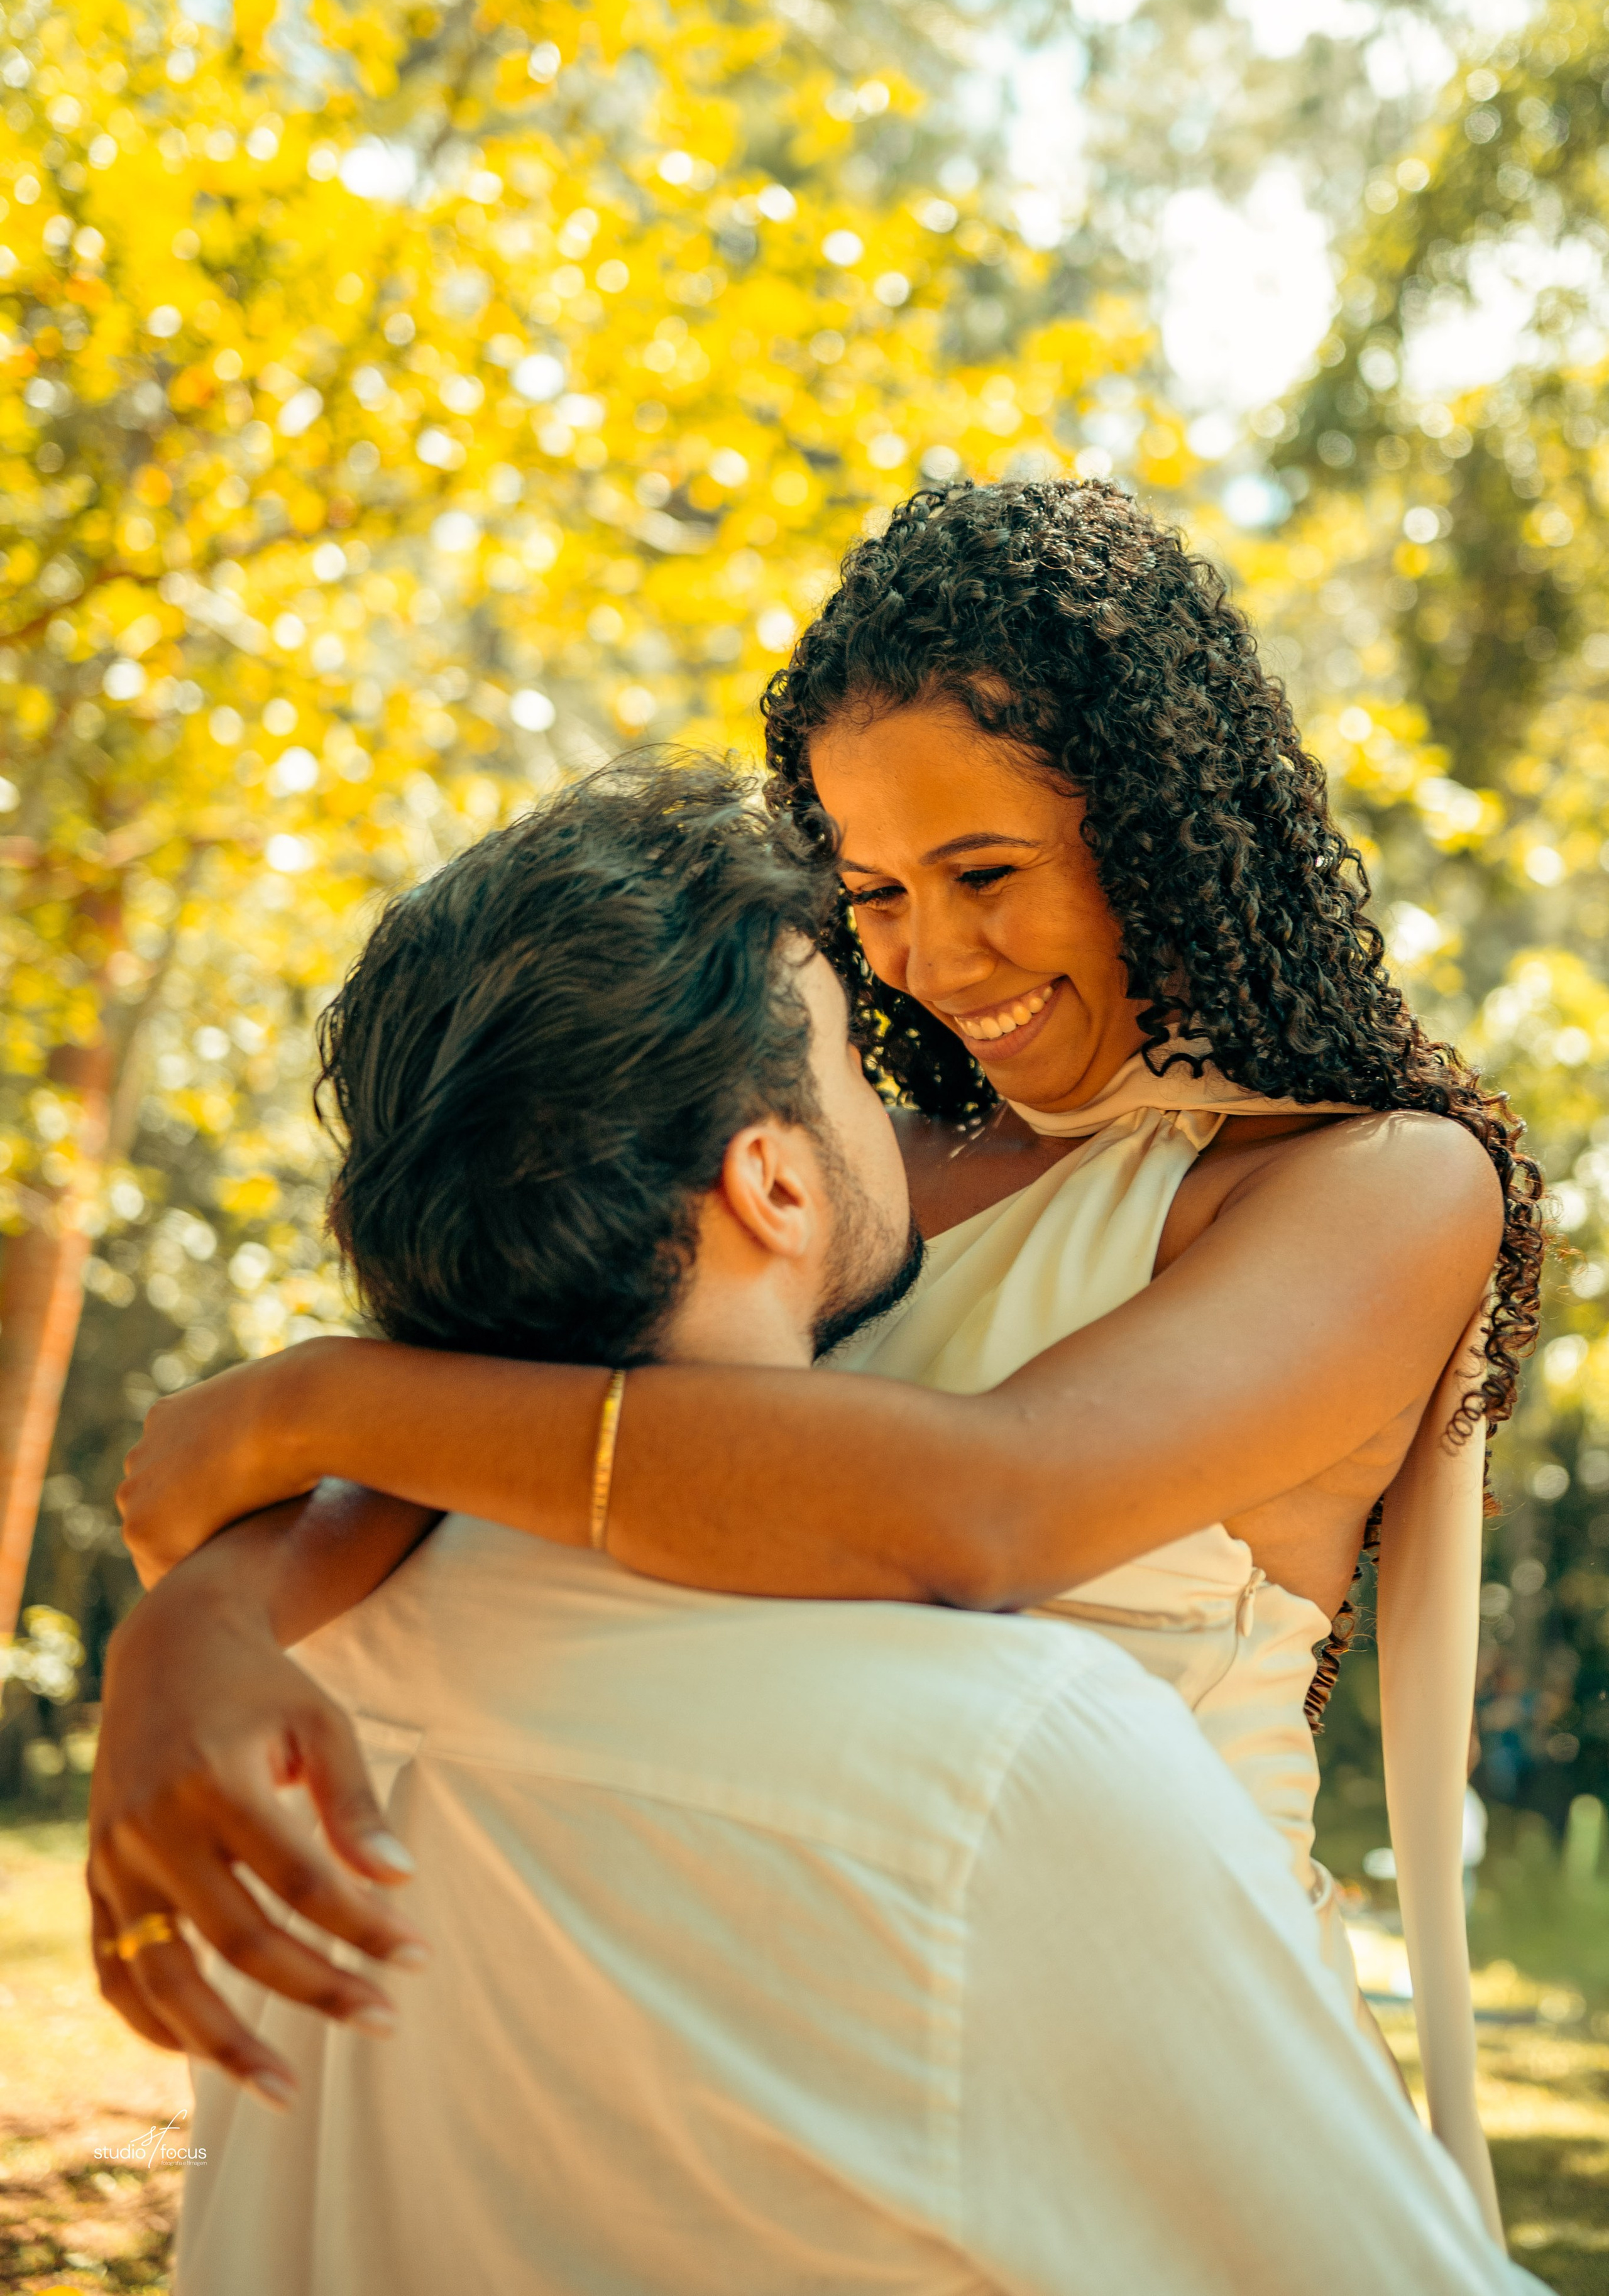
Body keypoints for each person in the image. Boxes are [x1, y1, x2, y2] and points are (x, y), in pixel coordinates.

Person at [104, 479, 1539, 2233]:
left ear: (1162, 828)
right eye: (871, 892)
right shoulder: (857, 1165)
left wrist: (322, 1395)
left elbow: (995, 1508)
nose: (929, 957)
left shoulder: (1368, 1187)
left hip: (1138, 2055)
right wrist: (201, 1626)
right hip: (763, 2010)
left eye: (984, 873)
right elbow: (509, 1434)